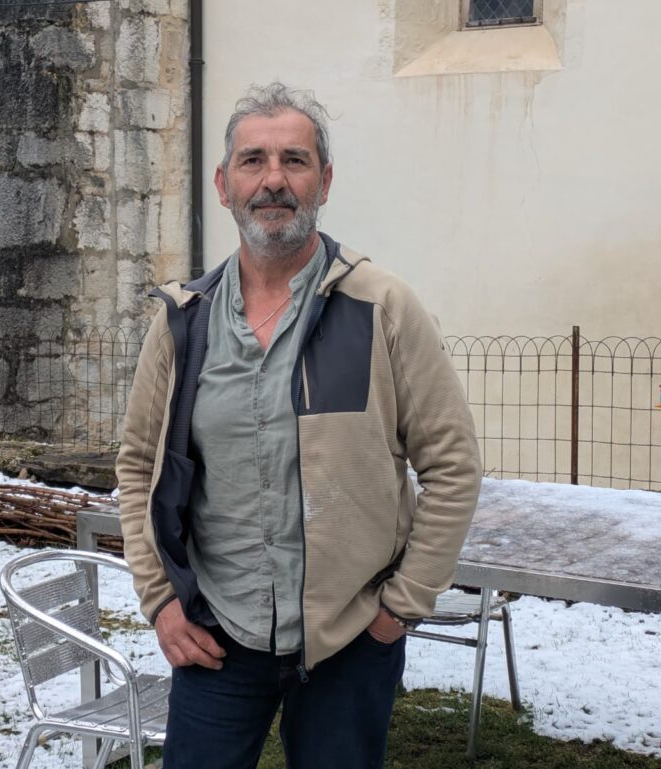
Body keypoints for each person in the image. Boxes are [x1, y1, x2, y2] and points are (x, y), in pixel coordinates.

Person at [116, 82, 481, 769]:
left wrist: (397, 609)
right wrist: (161, 601)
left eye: (295, 160)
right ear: (224, 185)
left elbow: (454, 465)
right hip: (217, 633)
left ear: (325, 180)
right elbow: (138, 466)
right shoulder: (182, 322)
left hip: (350, 641)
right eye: (253, 160)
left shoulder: (382, 308)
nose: (273, 179)